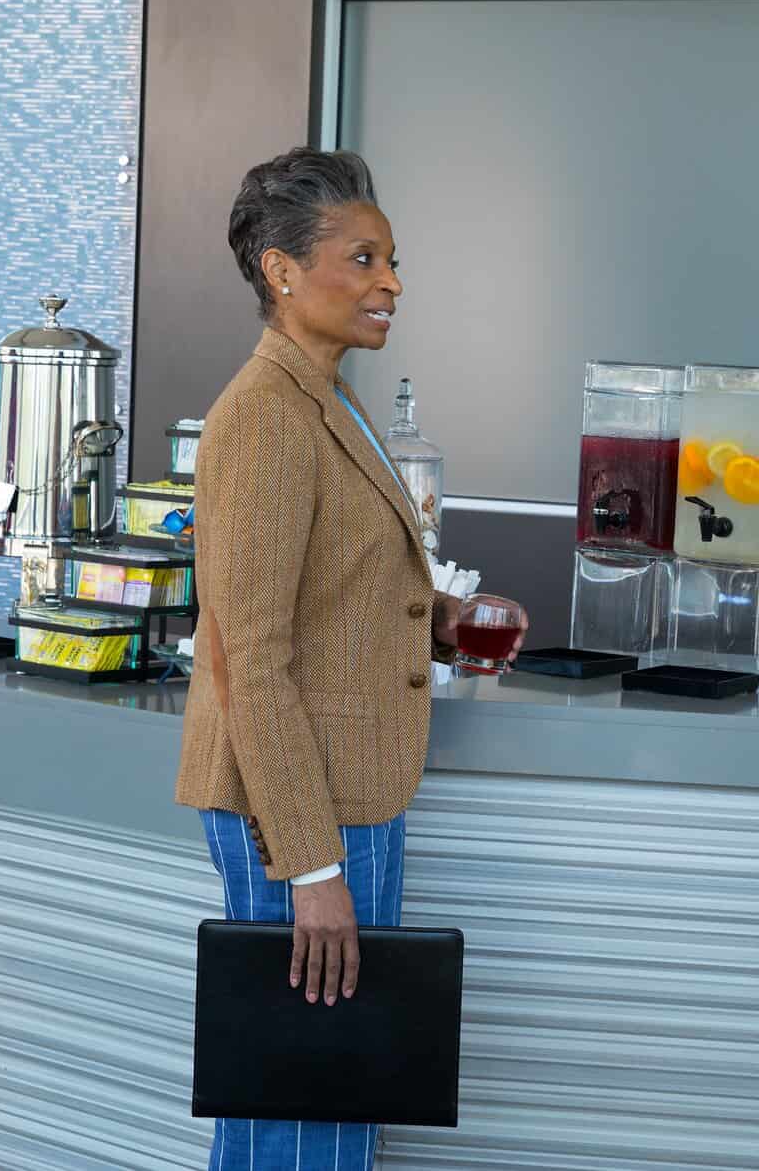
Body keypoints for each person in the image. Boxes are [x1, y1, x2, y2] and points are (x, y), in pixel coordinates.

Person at [176, 147, 525, 1170]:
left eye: (392, 260)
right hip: (302, 805)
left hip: (343, 791)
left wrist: (445, 617)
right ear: (282, 271)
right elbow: (252, 655)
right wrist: (312, 867)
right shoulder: (268, 415)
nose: (391, 283)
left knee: (314, 1087)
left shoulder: (329, 399)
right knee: (306, 1100)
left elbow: (335, 584)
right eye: (363, 259)